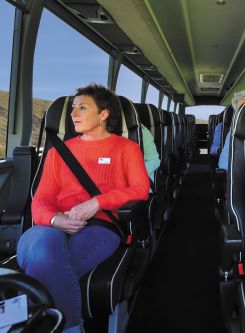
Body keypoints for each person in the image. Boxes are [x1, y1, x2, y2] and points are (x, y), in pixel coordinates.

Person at [17, 84, 150, 332]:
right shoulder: (59, 152)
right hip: (53, 225)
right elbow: (42, 199)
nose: (73, 113)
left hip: (100, 227)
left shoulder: (126, 148)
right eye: (73, 109)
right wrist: (55, 220)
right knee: (43, 248)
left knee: (44, 264)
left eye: (82, 107)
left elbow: (141, 189)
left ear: (104, 114)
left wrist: (97, 202)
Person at [217, 89, 245, 169]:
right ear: (236, 112)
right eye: (241, 109)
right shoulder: (233, 130)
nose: (244, 112)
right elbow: (224, 161)